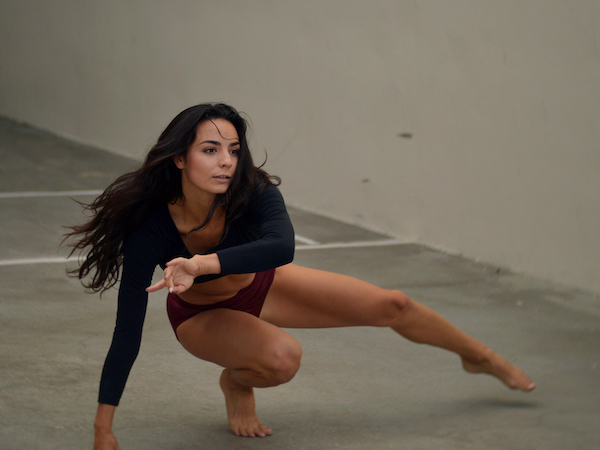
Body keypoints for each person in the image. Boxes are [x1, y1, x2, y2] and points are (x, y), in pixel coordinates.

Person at [65, 103, 535, 449]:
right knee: (283, 359)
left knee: (393, 304)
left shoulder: (251, 192)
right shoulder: (151, 225)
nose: (226, 161)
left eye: (233, 149)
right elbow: (127, 330)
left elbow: (281, 248)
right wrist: (103, 428)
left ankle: (479, 357)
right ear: (180, 159)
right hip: (201, 316)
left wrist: (201, 264)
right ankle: (238, 381)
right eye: (210, 150)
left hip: (262, 285)